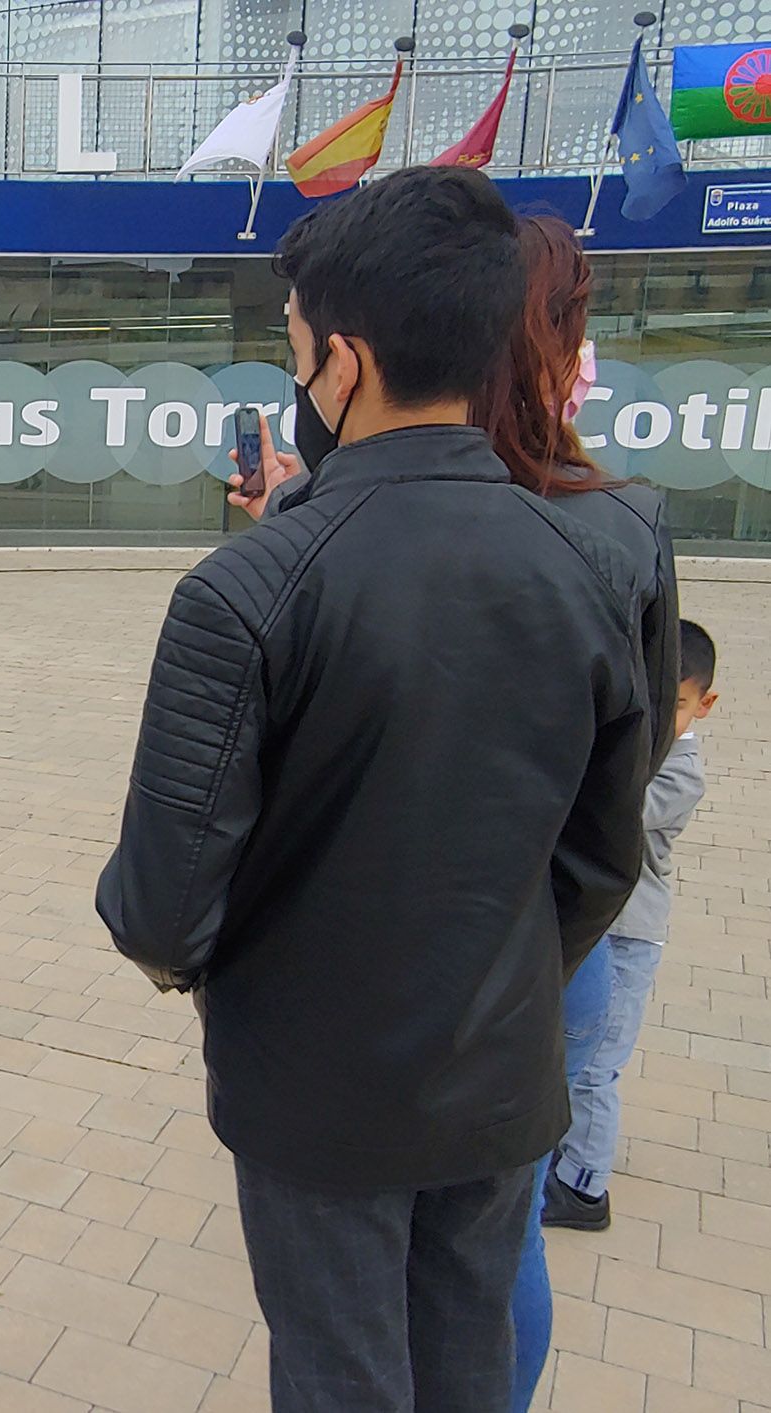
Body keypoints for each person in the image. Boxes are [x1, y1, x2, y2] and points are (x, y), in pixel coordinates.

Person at [97, 166, 653, 1413]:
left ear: (342, 365)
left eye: (295, 349)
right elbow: (603, 860)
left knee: (343, 1376)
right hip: (499, 1073)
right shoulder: (594, 560)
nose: (294, 381)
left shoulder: (243, 590)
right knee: (471, 1368)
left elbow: (158, 906)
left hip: (316, 1093)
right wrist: (494, 976)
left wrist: (220, 977)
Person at [465, 213, 684, 1413]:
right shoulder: (623, 522)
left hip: (421, 959)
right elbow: (636, 758)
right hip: (557, 941)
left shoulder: (364, 522)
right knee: (502, 1241)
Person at [544, 620, 717, 1230]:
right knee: (575, 1051)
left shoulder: (680, 772)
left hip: (628, 937)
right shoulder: (639, 748)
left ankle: (584, 1188)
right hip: (598, 929)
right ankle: (567, 1154)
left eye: (680, 705)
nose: (662, 715)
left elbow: (618, 814)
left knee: (597, 1068)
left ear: (705, 704)